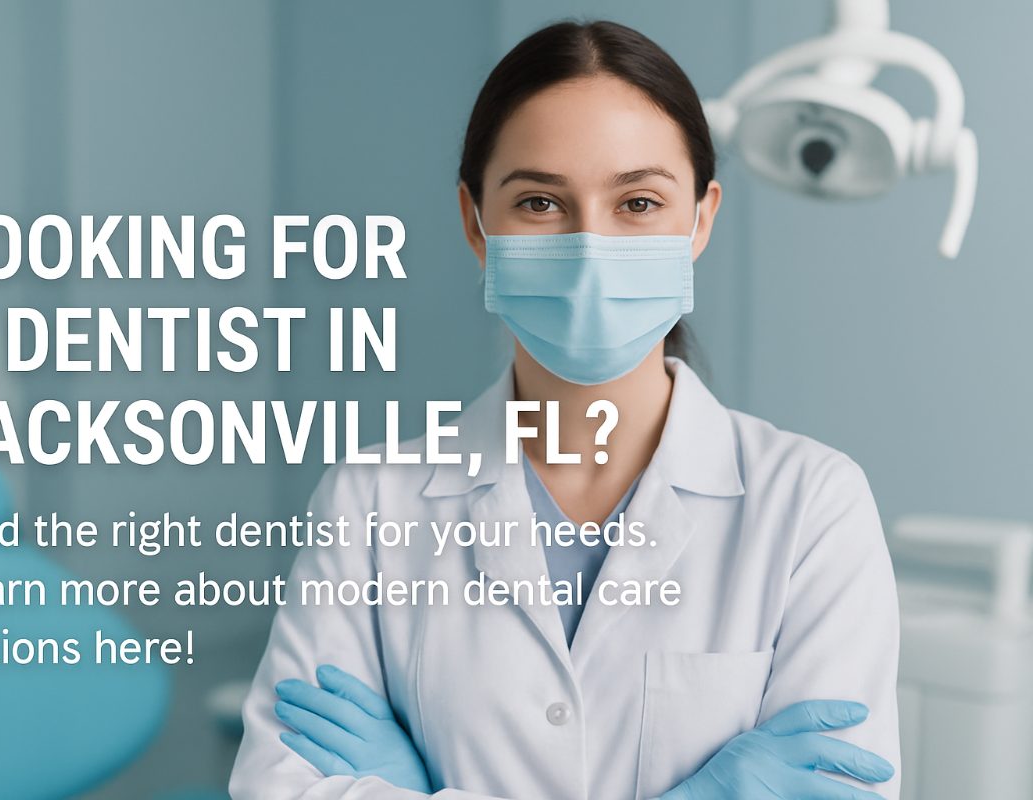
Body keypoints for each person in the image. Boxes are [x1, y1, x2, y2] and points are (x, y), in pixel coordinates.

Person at [228, 19, 901, 800]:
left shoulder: (812, 505)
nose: (590, 249)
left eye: (639, 202)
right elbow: (280, 787)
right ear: (476, 225)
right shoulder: (372, 499)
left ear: (700, 220)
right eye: (541, 202)